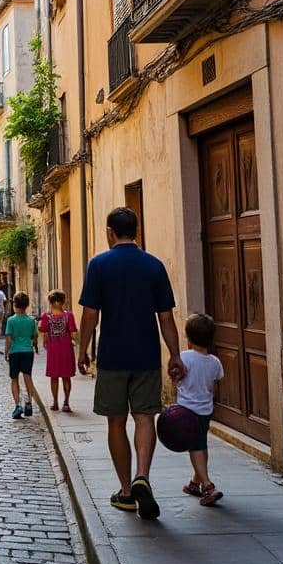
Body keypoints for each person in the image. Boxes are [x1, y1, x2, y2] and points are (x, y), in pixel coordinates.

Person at [77, 207, 185, 520]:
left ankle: (126, 491)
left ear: (110, 231)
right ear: (135, 231)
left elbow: (89, 314)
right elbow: (165, 317)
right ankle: (143, 477)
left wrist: (82, 350)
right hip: (146, 356)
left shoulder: (99, 264)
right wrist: (175, 355)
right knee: (144, 419)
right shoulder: (154, 266)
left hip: (112, 357)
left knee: (115, 422)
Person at [178, 313, 225, 506]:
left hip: (187, 412)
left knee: (196, 447)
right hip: (206, 411)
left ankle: (208, 486)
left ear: (188, 338)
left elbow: (175, 376)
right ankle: (194, 483)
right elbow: (216, 385)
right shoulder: (215, 362)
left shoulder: (183, 357)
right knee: (201, 445)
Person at [39, 290, 78, 412]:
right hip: (66, 349)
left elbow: (43, 329)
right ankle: (66, 402)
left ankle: (55, 402)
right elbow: (73, 332)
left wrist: (45, 342)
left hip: (53, 350)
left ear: (50, 302)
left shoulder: (46, 316)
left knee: (54, 377)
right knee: (66, 377)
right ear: (63, 302)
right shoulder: (69, 316)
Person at [3, 292, 40, 419]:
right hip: (27, 352)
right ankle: (29, 402)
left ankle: (18, 405)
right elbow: (35, 337)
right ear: (27, 305)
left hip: (14, 351)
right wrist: (35, 346)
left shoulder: (11, 320)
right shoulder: (31, 321)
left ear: (14, 305)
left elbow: (8, 339)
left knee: (14, 379)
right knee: (27, 377)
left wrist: (6, 352)